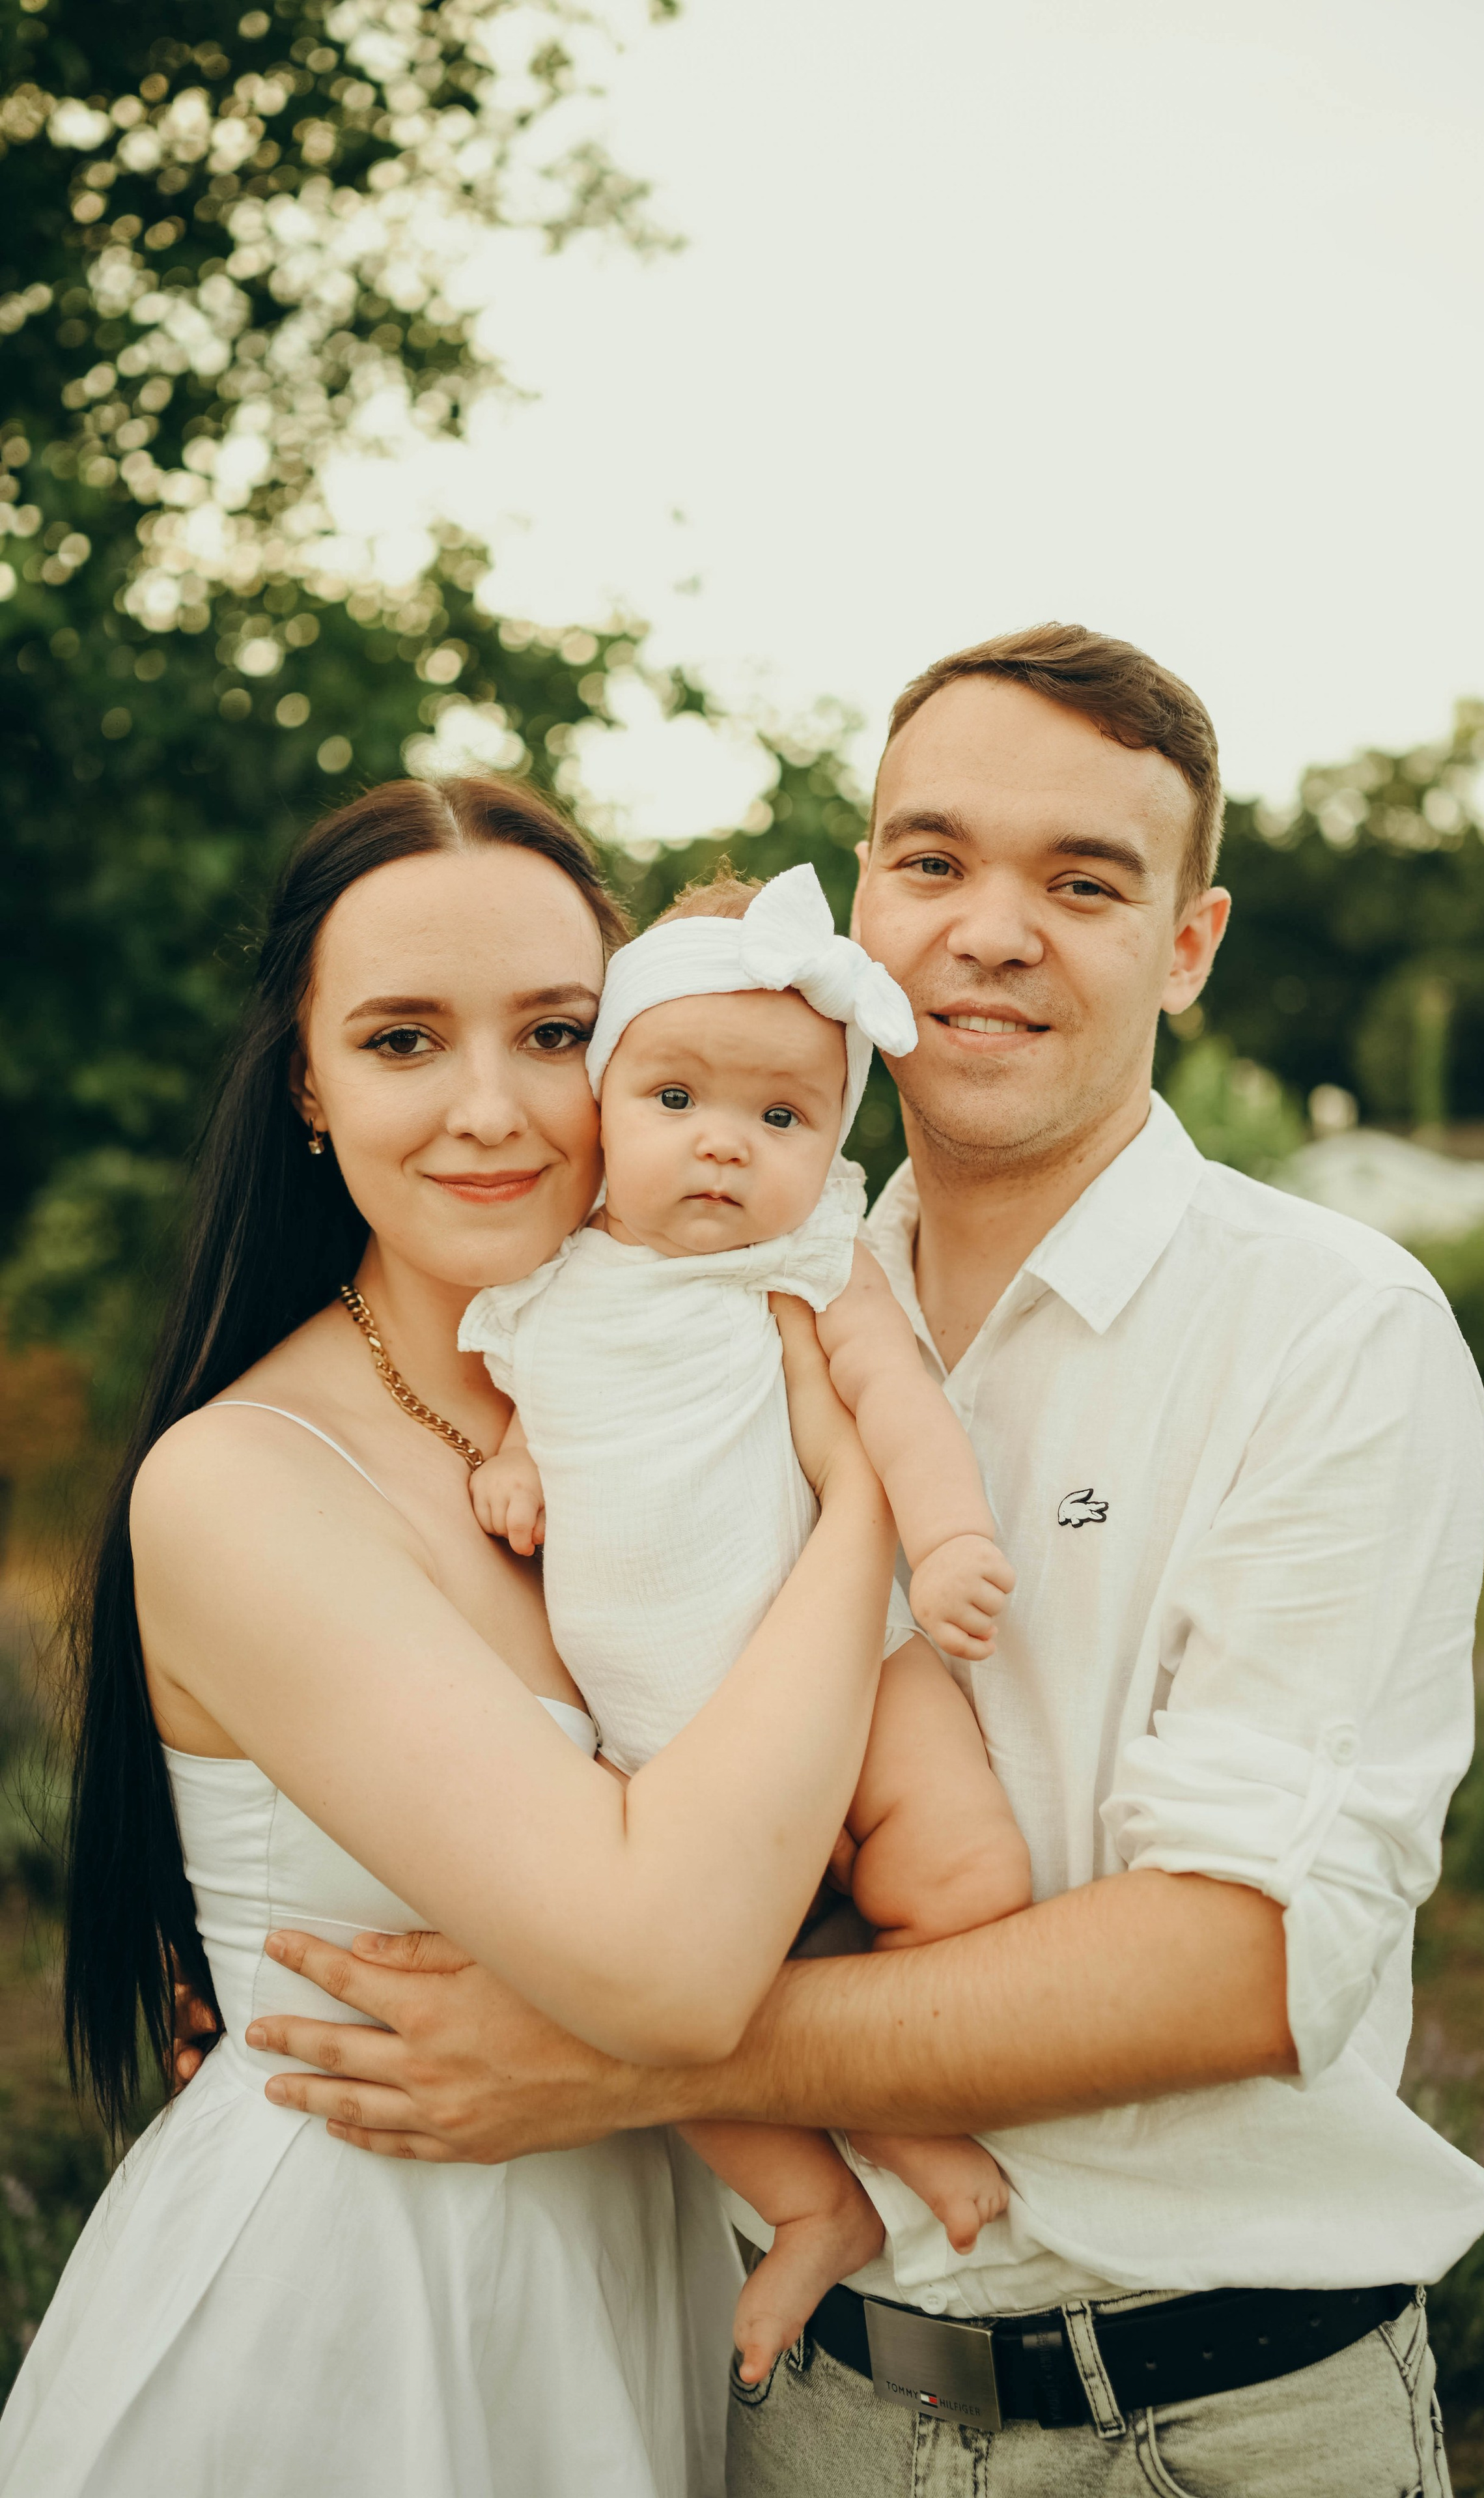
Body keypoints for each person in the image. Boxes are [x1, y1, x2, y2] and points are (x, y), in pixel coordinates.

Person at [189, 627, 1484, 2497]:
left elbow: (1247, 1960)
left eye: (1085, 880)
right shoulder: (708, 1288)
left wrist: (635, 2054)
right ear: (862, 906)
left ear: (1190, 946)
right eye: (935, 859)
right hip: (788, 2404)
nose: (989, 928)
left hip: (1202, 2419)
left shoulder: (1328, 1329)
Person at [0, 776, 908, 2498]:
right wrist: (866, 1499)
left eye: (555, 1030)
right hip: (362, 2311)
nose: (490, 1108)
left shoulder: (673, 1410)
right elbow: (671, 1964)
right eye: (404, 1038)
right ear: (310, 1087)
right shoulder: (247, 1481)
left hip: (634, 2268)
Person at [463, 859, 1031, 2385]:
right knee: (634, 2007)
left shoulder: (807, 1261)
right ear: (601, 1109)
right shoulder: (544, 1288)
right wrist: (515, 1462)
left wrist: (953, 1531)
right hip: (669, 1740)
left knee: (966, 1865)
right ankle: (813, 2199)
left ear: (826, 1142)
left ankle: (902, 2086)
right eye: (674, 1101)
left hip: (850, 1666)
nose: (723, 1144)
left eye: (781, 1119)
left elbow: (896, 1401)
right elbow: (526, 1411)